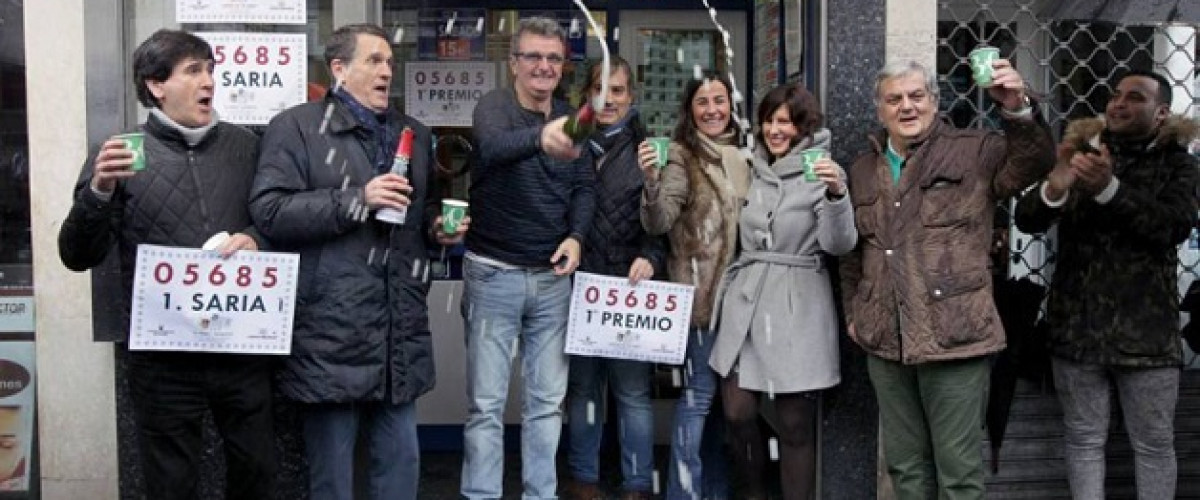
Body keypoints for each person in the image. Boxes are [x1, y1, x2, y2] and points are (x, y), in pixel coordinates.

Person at [249, 24, 466, 500]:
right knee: (333, 478)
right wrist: (357, 199)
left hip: (398, 328)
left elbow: (420, 215)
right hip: (331, 331)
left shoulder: (415, 133)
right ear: (339, 69)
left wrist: (437, 231)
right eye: (373, 60)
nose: (387, 70)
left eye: (390, 61)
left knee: (401, 467)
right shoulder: (297, 127)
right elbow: (270, 212)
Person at [57, 29, 275, 500]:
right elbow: (76, 255)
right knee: (169, 483)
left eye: (211, 70)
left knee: (256, 472)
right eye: (194, 70)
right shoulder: (119, 152)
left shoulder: (246, 147)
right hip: (163, 357)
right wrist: (98, 192)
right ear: (156, 85)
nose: (209, 82)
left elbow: (275, 220)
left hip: (241, 347)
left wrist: (255, 239)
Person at [839, 59, 1054, 499]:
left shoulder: (975, 150)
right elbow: (852, 253)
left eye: (916, 96)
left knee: (958, 474)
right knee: (905, 469)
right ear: (879, 110)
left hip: (956, 338)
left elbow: (1034, 162)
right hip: (886, 340)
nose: (906, 107)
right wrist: (854, 313)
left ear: (934, 102)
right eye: (894, 99)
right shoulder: (862, 169)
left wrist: (1017, 108)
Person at [1013, 69, 1199, 500]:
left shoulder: (1180, 164)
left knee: (1153, 445)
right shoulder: (1084, 152)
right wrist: (1055, 186)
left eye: (1134, 97)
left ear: (1161, 112)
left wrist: (1109, 190)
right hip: (1077, 331)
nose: (1118, 103)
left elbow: (1171, 226)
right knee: (1082, 441)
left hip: (1147, 338)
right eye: (1115, 95)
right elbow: (1027, 219)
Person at [459, 17, 594, 500]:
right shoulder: (493, 107)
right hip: (493, 274)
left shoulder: (572, 118)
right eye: (533, 56)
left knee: (546, 404)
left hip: (553, 280)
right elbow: (492, 148)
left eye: (553, 58)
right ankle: (481, 495)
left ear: (563, 66)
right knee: (486, 405)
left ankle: (541, 495)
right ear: (514, 63)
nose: (543, 66)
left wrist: (577, 236)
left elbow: (583, 186)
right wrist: (540, 137)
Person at [708, 83, 855, 500]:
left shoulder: (823, 170)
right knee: (737, 412)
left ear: (804, 127)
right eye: (770, 121)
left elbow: (839, 244)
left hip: (797, 304)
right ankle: (753, 493)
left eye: (785, 122)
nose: (775, 130)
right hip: (748, 303)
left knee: (794, 425)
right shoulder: (750, 166)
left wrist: (836, 194)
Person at [638, 71, 746, 500]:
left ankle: (713, 490)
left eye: (719, 100)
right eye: (702, 102)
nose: (712, 109)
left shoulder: (745, 153)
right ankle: (683, 493)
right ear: (690, 111)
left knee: (724, 405)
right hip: (703, 299)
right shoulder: (682, 156)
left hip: (745, 301)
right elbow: (660, 219)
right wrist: (651, 181)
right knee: (698, 397)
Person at [564, 55, 664, 500]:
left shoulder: (648, 146)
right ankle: (585, 478)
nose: (608, 100)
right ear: (587, 94)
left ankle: (637, 485)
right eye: (600, 90)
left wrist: (652, 256)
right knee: (584, 389)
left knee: (632, 393)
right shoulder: (570, 141)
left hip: (628, 285)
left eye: (618, 91)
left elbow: (666, 220)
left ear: (631, 97)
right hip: (580, 283)